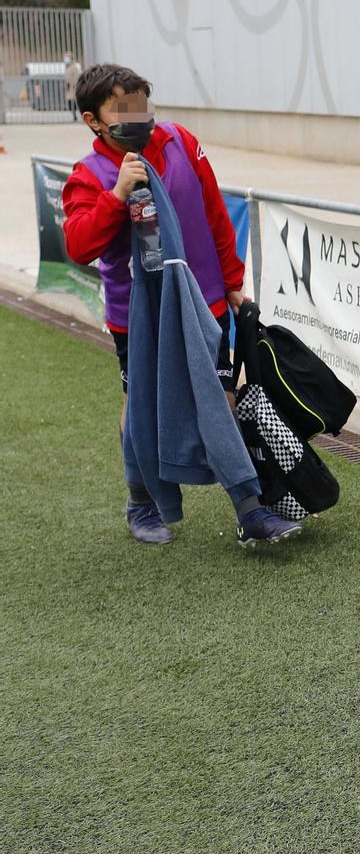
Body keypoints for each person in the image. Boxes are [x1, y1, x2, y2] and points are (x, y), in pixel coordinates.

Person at [62, 62, 298, 547]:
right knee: (141, 409)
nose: (139, 115)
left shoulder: (180, 141)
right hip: (138, 317)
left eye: (142, 103)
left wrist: (232, 281)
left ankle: (249, 510)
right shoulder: (90, 175)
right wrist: (117, 195)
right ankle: (141, 502)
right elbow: (80, 245)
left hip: (205, 301)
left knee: (222, 400)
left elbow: (214, 210)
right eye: (122, 107)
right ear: (93, 120)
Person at [63, 52, 82, 120]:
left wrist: (74, 85)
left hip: (73, 88)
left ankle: (77, 117)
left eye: (67, 58)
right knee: (70, 103)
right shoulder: (67, 67)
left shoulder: (74, 67)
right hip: (69, 88)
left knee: (74, 103)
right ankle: (74, 116)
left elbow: (76, 77)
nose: (65, 59)